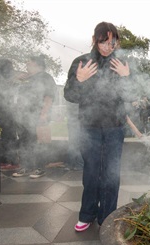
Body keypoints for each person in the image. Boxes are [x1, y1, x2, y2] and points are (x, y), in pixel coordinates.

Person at [63, 22, 133, 231]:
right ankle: (87, 214)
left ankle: (108, 216)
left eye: (112, 42)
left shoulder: (122, 63)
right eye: (104, 41)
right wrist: (79, 80)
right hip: (89, 127)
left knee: (112, 173)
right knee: (92, 171)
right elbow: (69, 95)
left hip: (115, 127)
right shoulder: (81, 62)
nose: (107, 46)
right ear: (95, 39)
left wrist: (127, 78)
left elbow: (134, 95)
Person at [12, 55, 56, 178]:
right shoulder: (27, 78)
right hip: (24, 115)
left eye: (29, 63)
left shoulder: (46, 78)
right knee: (25, 141)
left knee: (39, 142)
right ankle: (26, 166)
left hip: (39, 114)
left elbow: (49, 96)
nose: (26, 65)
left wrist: (44, 113)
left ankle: (39, 167)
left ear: (37, 65)